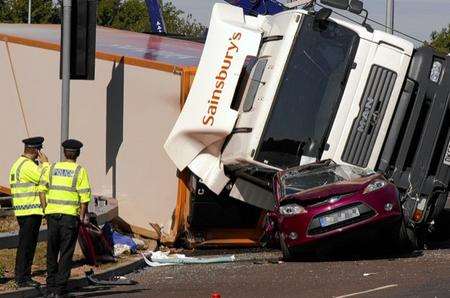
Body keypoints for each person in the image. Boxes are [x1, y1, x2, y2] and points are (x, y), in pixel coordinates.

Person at [42, 139, 92, 297]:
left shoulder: (52, 168)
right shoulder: (79, 170)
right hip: (69, 218)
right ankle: (60, 290)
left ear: (64, 153)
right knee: (65, 253)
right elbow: (84, 198)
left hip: (52, 215)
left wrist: (45, 209)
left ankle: (50, 288)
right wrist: (82, 217)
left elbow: (41, 190)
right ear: (78, 154)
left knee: (52, 251)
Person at [9, 136, 49, 287]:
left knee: (25, 245)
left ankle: (22, 275)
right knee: (27, 246)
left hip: (23, 210)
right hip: (30, 210)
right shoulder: (28, 166)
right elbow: (46, 178)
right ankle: (22, 277)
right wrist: (45, 164)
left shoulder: (18, 163)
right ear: (36, 150)